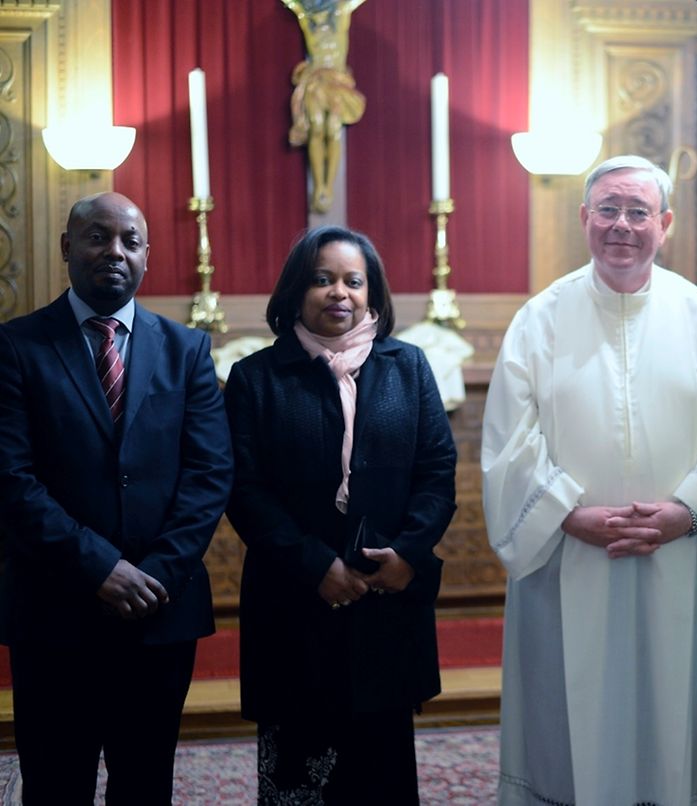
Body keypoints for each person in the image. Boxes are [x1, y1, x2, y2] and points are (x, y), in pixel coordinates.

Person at [481, 154, 697, 805]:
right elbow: (509, 441)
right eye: (608, 209)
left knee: (670, 711)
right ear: (584, 217)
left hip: (675, 557)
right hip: (566, 558)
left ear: (666, 223)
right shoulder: (540, 320)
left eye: (638, 211)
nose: (622, 225)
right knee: (564, 720)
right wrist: (564, 513)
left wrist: (687, 513)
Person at [0, 192, 233, 803]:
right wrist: (101, 568)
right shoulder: (15, 346)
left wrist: (155, 575)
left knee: (145, 785)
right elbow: (11, 479)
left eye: (130, 241)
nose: (115, 252)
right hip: (55, 609)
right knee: (56, 785)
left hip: (160, 611)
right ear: (67, 247)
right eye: (98, 237)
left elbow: (210, 474)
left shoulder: (187, 349)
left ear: (147, 256)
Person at [225, 226, 456, 804]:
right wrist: (315, 565)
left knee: (381, 775)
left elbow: (437, 472)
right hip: (293, 598)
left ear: (372, 293)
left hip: (385, 596)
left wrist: (409, 553)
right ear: (296, 291)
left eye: (354, 281)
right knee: (300, 775)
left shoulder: (408, 366)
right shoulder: (256, 377)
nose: (339, 293)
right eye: (322, 279)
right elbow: (245, 489)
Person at [281, 0, 368, 213]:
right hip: (315, 84)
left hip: (337, 84)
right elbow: (293, 5)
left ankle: (328, 187)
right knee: (317, 128)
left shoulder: (340, 16)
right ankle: (319, 186)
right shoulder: (307, 21)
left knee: (333, 129)